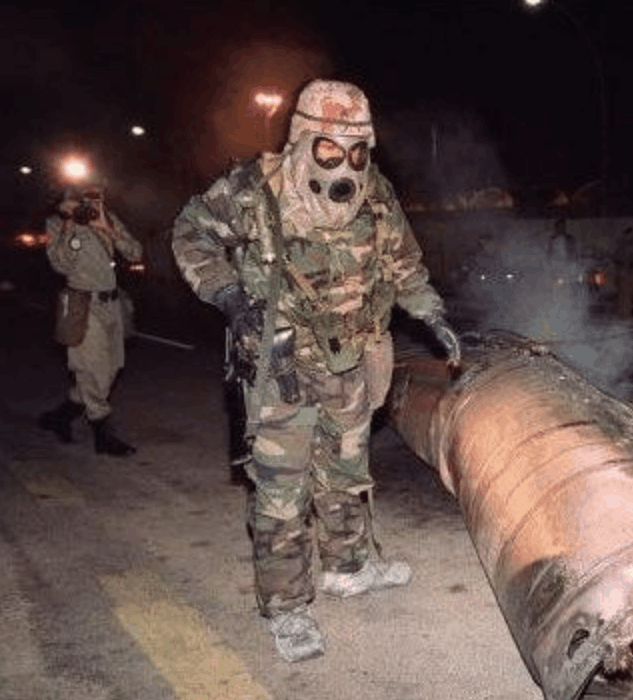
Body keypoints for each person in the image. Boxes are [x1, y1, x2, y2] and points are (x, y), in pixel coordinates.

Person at [172, 79, 462, 662]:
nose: (345, 164)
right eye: (330, 149)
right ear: (304, 138)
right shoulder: (253, 190)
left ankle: (348, 566)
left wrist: (430, 312)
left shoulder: (375, 194)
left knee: (347, 472)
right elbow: (190, 232)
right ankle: (286, 608)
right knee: (281, 492)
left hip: (352, 360)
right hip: (282, 368)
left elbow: (404, 264)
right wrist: (230, 295)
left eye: (357, 151)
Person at [37, 183, 142, 456]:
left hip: (113, 304)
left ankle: (61, 416)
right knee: (92, 369)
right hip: (83, 305)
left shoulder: (106, 218)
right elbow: (60, 264)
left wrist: (107, 227)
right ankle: (103, 435)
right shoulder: (56, 223)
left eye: (95, 196)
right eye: (82, 197)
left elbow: (135, 253)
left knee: (110, 370)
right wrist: (72, 223)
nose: (91, 201)